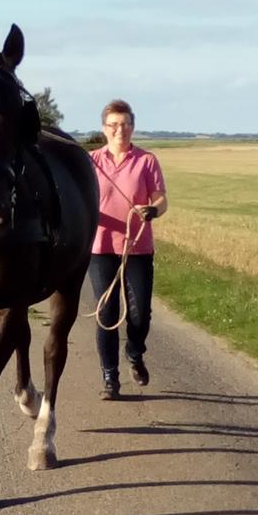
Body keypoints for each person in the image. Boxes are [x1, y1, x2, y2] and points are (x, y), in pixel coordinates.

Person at [88, 100, 168, 400]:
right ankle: (110, 377)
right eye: (113, 125)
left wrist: (152, 210)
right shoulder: (92, 161)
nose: (119, 130)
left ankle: (134, 352)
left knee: (139, 316)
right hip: (100, 248)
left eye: (125, 124)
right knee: (106, 314)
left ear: (132, 126)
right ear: (104, 129)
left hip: (137, 248)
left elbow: (161, 199)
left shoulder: (147, 161)